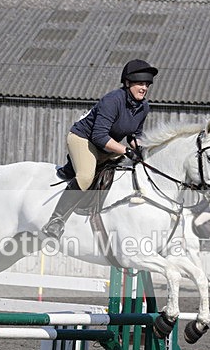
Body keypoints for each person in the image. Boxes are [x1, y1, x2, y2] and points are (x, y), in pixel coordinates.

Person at [41, 59, 158, 240]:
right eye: (140, 84)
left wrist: (140, 150)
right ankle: (56, 221)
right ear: (128, 83)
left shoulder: (143, 107)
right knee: (86, 176)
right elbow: (99, 136)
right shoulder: (112, 100)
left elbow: (134, 136)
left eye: (147, 85)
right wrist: (125, 150)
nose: (144, 88)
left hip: (107, 144)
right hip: (83, 139)